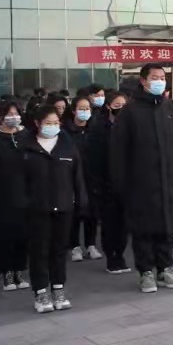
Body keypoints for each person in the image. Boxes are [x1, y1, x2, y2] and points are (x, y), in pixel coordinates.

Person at [110, 64, 173, 293]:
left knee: (166, 226)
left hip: (169, 181)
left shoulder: (170, 110)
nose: (160, 81)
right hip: (140, 183)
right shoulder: (130, 113)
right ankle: (145, 272)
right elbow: (119, 152)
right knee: (143, 229)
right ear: (143, 81)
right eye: (155, 77)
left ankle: (165, 268)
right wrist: (121, 184)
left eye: (162, 77)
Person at [20, 105, 87, 313]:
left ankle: (58, 288)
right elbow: (18, 182)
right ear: (37, 123)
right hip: (36, 209)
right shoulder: (26, 147)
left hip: (63, 206)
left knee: (59, 250)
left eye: (56, 123)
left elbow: (77, 177)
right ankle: (41, 292)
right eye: (48, 123)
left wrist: (81, 201)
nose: (52, 126)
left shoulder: (67, 145)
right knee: (39, 251)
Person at [0, 101, 31, 292]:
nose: (13, 117)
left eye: (16, 113)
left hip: (25, 194)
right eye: (9, 114)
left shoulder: (26, 136)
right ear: (0, 116)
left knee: (23, 234)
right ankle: (7, 272)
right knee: (4, 236)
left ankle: (20, 270)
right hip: (0, 196)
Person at [88, 93, 130, 274]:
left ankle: (120, 254)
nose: (121, 108)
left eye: (124, 105)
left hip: (125, 184)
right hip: (105, 184)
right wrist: (97, 184)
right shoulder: (99, 128)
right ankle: (111, 257)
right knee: (109, 224)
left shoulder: (129, 127)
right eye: (117, 105)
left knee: (123, 225)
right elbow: (94, 159)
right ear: (108, 106)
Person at [64, 96, 100, 262]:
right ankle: (74, 246)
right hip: (72, 176)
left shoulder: (95, 129)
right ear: (73, 110)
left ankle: (91, 244)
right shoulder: (65, 132)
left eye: (87, 109)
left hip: (92, 176)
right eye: (81, 108)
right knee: (75, 213)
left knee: (92, 212)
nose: (85, 112)